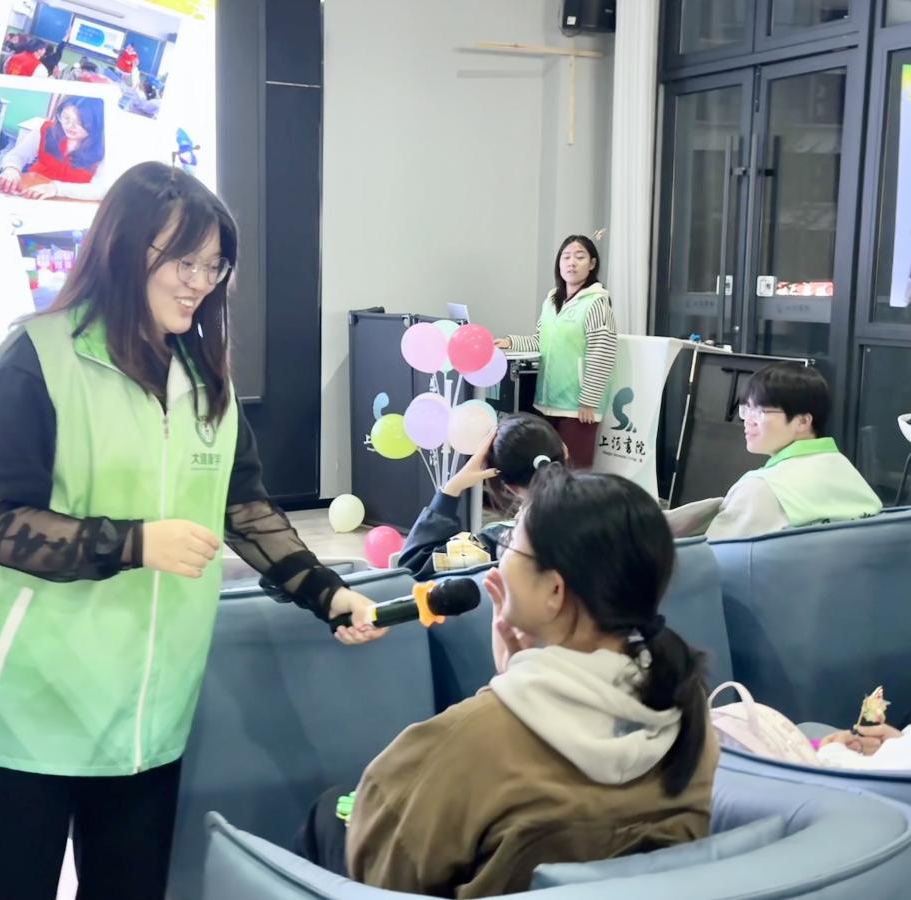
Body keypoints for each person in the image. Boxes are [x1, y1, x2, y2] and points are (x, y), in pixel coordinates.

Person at [0, 161, 386, 900]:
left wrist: (328, 594)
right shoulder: (34, 361)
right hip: (23, 710)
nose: (200, 282)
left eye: (214, 266)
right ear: (123, 248)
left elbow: (244, 508)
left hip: (143, 717)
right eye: (184, 261)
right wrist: (135, 543)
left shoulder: (205, 380)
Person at [299, 468, 718, 896]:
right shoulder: (686, 710)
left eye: (511, 544)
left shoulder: (471, 739)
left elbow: (385, 872)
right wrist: (516, 680)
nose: (499, 561)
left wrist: (503, 698)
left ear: (554, 591)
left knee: (330, 813)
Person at [666, 363, 881, 541]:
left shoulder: (762, 487)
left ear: (803, 421)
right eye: (746, 409)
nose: (747, 420)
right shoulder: (844, 469)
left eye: (760, 411)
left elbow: (711, 559)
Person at [494, 234, 616, 469]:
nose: (572, 263)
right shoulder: (552, 301)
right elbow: (541, 341)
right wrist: (510, 342)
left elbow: (602, 352)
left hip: (578, 408)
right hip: (547, 402)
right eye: (566, 257)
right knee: (547, 471)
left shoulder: (597, 303)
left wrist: (589, 401)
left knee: (574, 472)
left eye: (579, 257)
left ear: (592, 264)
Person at [398, 413, 565, 578]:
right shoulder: (581, 515)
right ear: (564, 452)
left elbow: (413, 564)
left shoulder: (504, 541)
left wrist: (452, 488)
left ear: (510, 487)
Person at [0, 96, 107, 201]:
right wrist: (12, 169)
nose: (70, 126)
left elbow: (101, 189)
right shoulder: (47, 129)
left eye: (81, 122)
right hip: (32, 191)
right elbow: (17, 155)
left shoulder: (105, 147)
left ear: (97, 124)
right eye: (66, 117)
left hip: (72, 201)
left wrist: (56, 188)